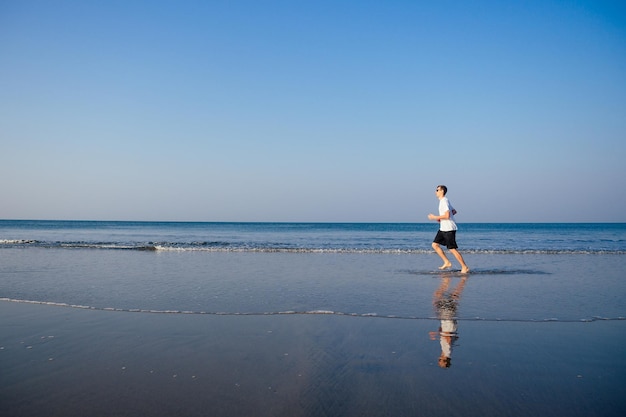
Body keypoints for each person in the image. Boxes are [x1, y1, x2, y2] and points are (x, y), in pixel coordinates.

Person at [428, 185, 470, 273]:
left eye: (437, 190)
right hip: (443, 228)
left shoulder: (444, 201)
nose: (435, 192)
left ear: (442, 191)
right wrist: (440, 218)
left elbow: (447, 215)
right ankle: (447, 262)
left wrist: (435, 217)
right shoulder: (444, 201)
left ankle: (464, 267)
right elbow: (454, 211)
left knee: (452, 249)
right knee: (435, 245)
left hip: (449, 229)